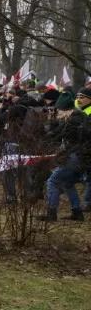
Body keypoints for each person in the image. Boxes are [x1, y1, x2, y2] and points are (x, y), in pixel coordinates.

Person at [42, 87, 91, 221]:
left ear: (67, 110)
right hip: (79, 158)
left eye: (59, 111)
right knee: (67, 183)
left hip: (76, 158)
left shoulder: (75, 120)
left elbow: (59, 135)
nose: (57, 113)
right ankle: (77, 212)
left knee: (53, 181)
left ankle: (51, 213)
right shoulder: (74, 118)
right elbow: (55, 134)